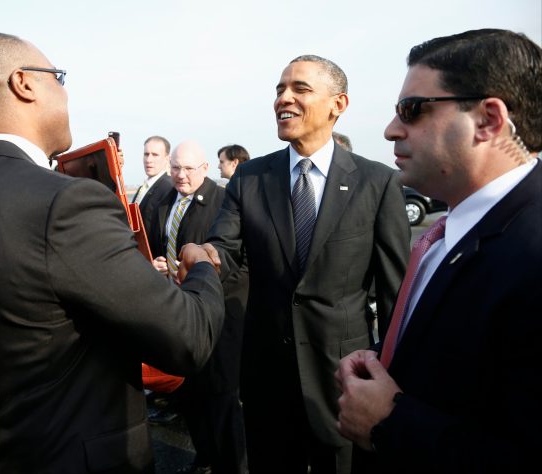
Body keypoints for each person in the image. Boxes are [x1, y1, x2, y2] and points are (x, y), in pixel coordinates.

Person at [0, 32, 225, 473]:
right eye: (59, 77)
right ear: (24, 84)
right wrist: (201, 269)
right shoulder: (67, 203)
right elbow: (188, 339)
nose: (66, 92)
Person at [188, 55, 411, 474]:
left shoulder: (376, 183)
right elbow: (225, 249)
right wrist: (204, 258)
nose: (283, 98)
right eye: (279, 89)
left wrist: (393, 383)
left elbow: (395, 293)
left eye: (300, 89)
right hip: (266, 374)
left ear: (338, 104)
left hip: (344, 379)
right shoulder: (250, 178)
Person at [336, 29, 542, 474]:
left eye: (412, 110)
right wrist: (382, 358)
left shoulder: (533, 251)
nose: (391, 129)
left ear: (488, 120)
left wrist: (389, 422)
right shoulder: (447, 232)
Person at [148, 141, 249, 474]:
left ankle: (230, 464)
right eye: (176, 167)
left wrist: (202, 278)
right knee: (189, 392)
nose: (180, 175)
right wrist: (160, 264)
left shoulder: (224, 203)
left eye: (189, 168)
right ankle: (204, 456)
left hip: (217, 313)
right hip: (177, 312)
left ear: (205, 169)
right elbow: (154, 243)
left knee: (221, 397)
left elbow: (241, 262)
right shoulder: (162, 200)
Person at [135, 136, 174, 235]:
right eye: (146, 154)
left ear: (167, 159)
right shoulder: (143, 188)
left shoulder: (168, 188)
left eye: (155, 155)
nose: (149, 160)